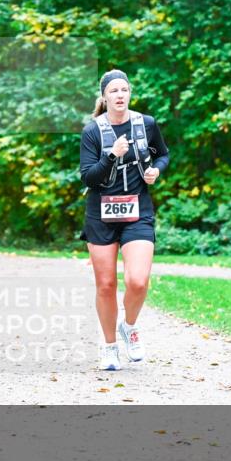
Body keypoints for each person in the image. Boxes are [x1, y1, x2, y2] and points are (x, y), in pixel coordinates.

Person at [80, 69, 169, 371]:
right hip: (101, 214)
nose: (120, 95)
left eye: (124, 90)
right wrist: (111, 156)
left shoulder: (146, 124)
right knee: (105, 285)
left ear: (130, 93)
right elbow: (88, 178)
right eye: (113, 91)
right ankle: (108, 347)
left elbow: (163, 155)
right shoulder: (93, 131)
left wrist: (157, 170)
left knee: (138, 281)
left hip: (138, 210)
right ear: (104, 97)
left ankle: (128, 325)